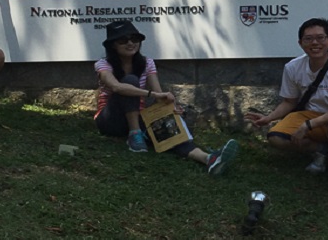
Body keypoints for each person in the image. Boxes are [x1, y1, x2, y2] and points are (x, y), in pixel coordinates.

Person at [94, 20, 238, 172]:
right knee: (130, 81)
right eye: (123, 40)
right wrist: (152, 94)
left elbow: (159, 96)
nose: (130, 43)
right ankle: (134, 135)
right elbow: (116, 87)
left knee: (168, 130)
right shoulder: (103, 64)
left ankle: (208, 159)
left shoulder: (147, 63)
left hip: (138, 115)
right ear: (113, 45)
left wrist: (171, 108)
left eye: (134, 39)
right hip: (110, 121)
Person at [245, 19, 328, 200]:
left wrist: (309, 125)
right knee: (276, 137)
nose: (315, 43)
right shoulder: (293, 67)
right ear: (300, 43)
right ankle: (322, 150)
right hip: (310, 115)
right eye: (308, 39)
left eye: (320, 38)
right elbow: (289, 102)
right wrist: (268, 118)